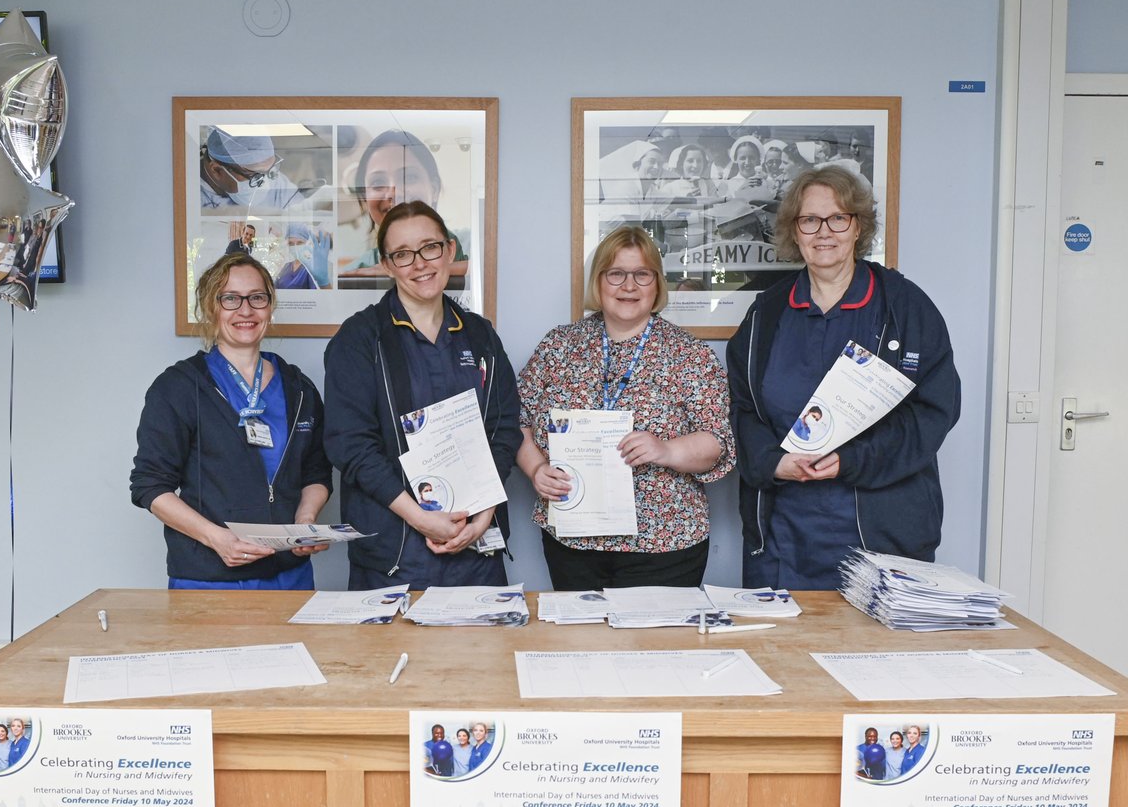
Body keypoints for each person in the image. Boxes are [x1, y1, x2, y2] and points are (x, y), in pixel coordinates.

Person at [725, 166, 960, 589]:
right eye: (809, 220)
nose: (824, 232)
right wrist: (774, 463)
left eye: (838, 218)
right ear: (795, 232)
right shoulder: (766, 312)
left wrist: (852, 460)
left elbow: (933, 412)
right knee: (783, 651)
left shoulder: (904, 307)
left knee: (879, 653)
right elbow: (743, 408)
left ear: (858, 227)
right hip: (784, 533)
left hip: (885, 530)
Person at [517, 224, 735, 590]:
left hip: (664, 544)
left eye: (641, 274)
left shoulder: (690, 355)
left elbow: (718, 443)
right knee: (580, 645)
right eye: (616, 273)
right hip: (572, 539)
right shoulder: (559, 346)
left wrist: (666, 449)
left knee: (654, 648)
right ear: (598, 282)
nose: (628, 286)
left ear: (657, 284)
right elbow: (518, 422)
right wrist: (536, 469)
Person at [323, 201, 520, 589]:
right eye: (403, 254)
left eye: (430, 247)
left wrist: (485, 510)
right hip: (394, 554)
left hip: (477, 543)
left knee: (479, 651)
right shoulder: (360, 339)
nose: (420, 263)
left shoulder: (480, 335)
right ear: (386, 264)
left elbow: (504, 428)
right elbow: (351, 445)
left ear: (449, 250)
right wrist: (418, 517)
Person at [131, 254, 333, 589]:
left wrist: (305, 521)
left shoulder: (299, 388)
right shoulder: (179, 387)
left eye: (257, 297)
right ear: (211, 308)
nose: (246, 311)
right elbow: (150, 487)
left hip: (291, 576)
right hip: (209, 579)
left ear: (270, 306)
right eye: (230, 299)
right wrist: (216, 539)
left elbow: (316, 473)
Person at [340, 131, 468, 280]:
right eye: (378, 183)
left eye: (409, 177)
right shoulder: (353, 273)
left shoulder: (473, 246)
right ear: (364, 199)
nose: (394, 193)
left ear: (433, 189)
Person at [199, 128, 306, 211]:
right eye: (255, 176)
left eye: (269, 170)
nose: (265, 184)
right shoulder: (190, 198)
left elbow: (301, 210)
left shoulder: (273, 180)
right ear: (216, 170)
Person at [274, 222, 331, 289]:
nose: (295, 247)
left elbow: (321, 296)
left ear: (307, 243)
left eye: (299, 243)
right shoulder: (286, 266)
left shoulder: (311, 267)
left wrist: (324, 282)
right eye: (291, 243)